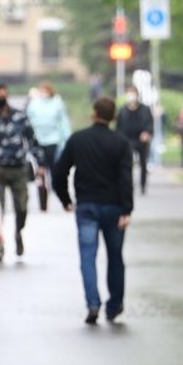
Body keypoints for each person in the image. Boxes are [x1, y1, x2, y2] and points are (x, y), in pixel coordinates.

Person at [54, 96, 135, 325]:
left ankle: (92, 302)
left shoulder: (78, 140)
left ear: (93, 114)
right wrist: (127, 209)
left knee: (88, 257)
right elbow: (126, 178)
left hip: (87, 206)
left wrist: (66, 199)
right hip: (114, 208)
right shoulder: (121, 143)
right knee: (115, 257)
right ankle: (115, 304)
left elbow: (60, 171)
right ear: (114, 117)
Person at [0, 83, 39, 261]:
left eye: (1, 92)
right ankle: (0, 245)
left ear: (7, 94)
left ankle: (18, 232)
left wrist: (41, 162)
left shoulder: (19, 116)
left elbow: (31, 139)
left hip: (18, 168)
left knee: (22, 208)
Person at [26, 81, 72, 212]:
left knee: (56, 172)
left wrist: (66, 140)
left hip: (53, 141)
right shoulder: (34, 104)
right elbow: (28, 122)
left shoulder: (57, 103)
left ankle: (64, 200)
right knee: (40, 173)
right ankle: (43, 204)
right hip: (37, 142)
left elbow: (63, 122)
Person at [116, 84, 154, 195]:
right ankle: (128, 185)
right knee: (127, 163)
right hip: (127, 140)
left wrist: (147, 133)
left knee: (143, 163)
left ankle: (142, 185)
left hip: (141, 140)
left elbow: (150, 124)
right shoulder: (122, 110)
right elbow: (119, 126)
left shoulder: (145, 109)